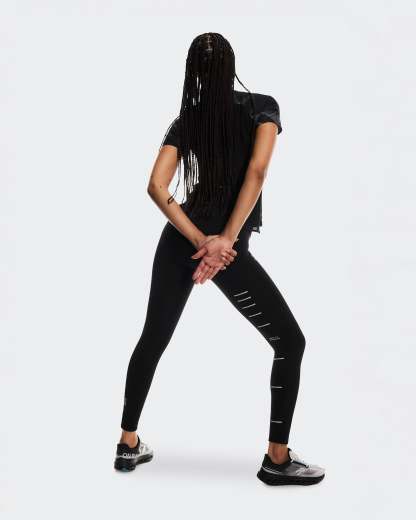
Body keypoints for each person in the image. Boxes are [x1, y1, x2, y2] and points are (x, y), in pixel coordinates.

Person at [114, 32, 325, 486]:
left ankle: (127, 443)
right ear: (232, 66)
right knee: (290, 342)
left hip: (181, 243)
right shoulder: (262, 107)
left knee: (153, 338)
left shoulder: (186, 120)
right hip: (225, 250)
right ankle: (277, 458)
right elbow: (258, 171)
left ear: (191, 71)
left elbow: (156, 186)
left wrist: (197, 238)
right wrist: (224, 241)